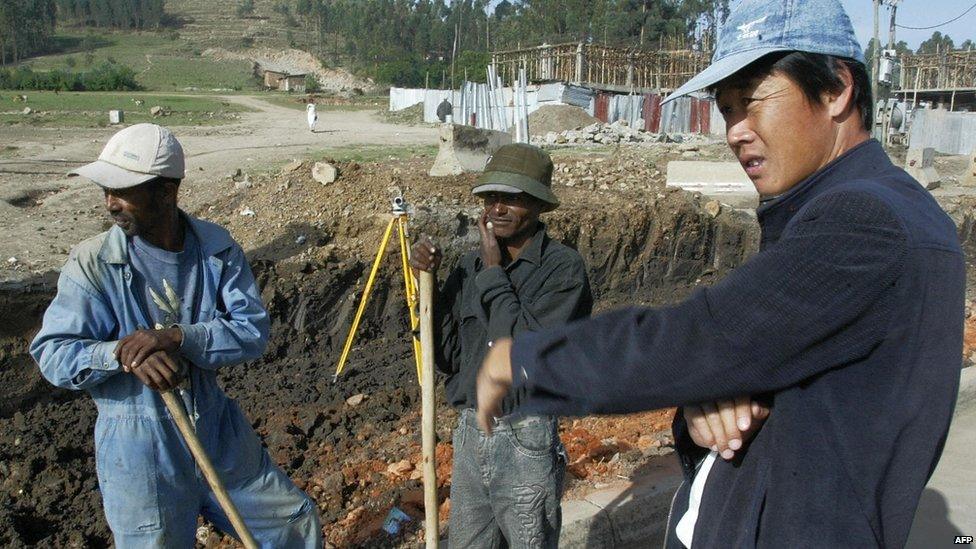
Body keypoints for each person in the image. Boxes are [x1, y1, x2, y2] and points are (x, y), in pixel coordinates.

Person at [476, 0, 965, 547]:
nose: (736, 132)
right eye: (728, 109)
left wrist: (523, 362)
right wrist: (708, 394)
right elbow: (759, 369)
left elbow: (703, 339)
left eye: (753, 102)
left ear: (837, 90)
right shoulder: (871, 212)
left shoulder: (865, 221)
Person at [30, 123, 323, 548]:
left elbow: (251, 332)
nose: (111, 203)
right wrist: (122, 354)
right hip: (140, 447)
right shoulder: (92, 263)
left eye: (123, 190)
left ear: (167, 192)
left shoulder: (216, 250)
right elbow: (53, 353)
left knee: (293, 524)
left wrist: (177, 337)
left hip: (218, 433)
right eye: (105, 191)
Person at [410, 143, 592, 548]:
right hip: (472, 433)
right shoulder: (468, 268)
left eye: (512, 198)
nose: (498, 208)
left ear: (539, 205)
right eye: (491, 197)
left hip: (525, 436)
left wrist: (494, 274)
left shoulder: (563, 271)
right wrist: (431, 288)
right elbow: (447, 357)